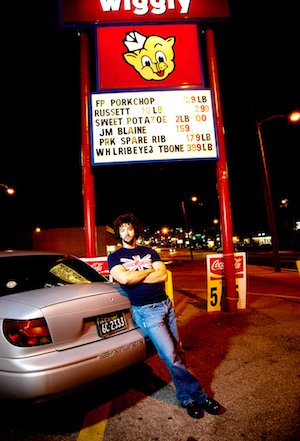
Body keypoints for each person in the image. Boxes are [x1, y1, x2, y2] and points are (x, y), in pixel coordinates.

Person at [108, 213, 221, 419]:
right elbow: (124, 277)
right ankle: (198, 397)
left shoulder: (150, 251)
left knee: (178, 352)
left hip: (166, 305)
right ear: (118, 233)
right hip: (146, 312)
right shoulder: (115, 257)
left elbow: (162, 274)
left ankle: (186, 395)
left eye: (130, 228)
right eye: (122, 229)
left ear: (136, 230)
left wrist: (137, 276)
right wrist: (147, 271)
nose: (127, 232)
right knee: (170, 356)